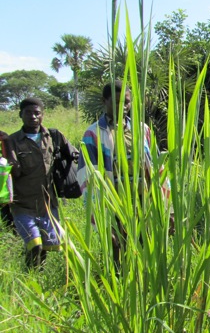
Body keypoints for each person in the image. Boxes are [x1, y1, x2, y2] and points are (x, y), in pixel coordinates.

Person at [77, 80, 169, 266]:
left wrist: (168, 208)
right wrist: (102, 220)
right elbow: (87, 177)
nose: (123, 107)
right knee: (118, 252)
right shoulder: (93, 134)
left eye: (126, 102)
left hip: (144, 202)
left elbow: (157, 166)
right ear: (104, 101)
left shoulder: (142, 130)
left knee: (146, 249)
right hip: (113, 204)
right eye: (116, 102)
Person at [0, 98, 77, 269]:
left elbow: (74, 154)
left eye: (37, 113)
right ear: (20, 115)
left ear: (43, 115)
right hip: (23, 205)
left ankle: (38, 274)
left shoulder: (53, 136)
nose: (33, 117)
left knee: (48, 246)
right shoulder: (12, 140)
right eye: (28, 113)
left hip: (48, 203)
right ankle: (30, 275)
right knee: (34, 245)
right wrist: (7, 144)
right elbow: (15, 171)